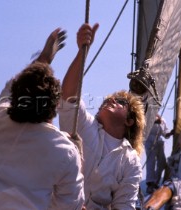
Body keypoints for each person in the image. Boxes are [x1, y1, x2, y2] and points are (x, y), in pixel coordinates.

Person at [0, 28, 84, 210]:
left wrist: (44, 58)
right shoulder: (66, 152)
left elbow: (15, 84)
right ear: (54, 107)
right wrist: (78, 156)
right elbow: (69, 207)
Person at [58, 23, 146, 209]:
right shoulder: (83, 125)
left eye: (120, 102)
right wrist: (83, 51)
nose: (112, 100)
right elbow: (68, 96)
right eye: (109, 98)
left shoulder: (130, 161)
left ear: (130, 121)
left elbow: (124, 206)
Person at [145, 114, 172, 195]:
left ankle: (156, 182)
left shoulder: (163, 120)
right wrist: (155, 122)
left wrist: (170, 133)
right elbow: (145, 127)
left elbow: (165, 134)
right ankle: (150, 184)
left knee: (162, 163)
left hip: (159, 143)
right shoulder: (147, 116)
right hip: (150, 142)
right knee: (151, 162)